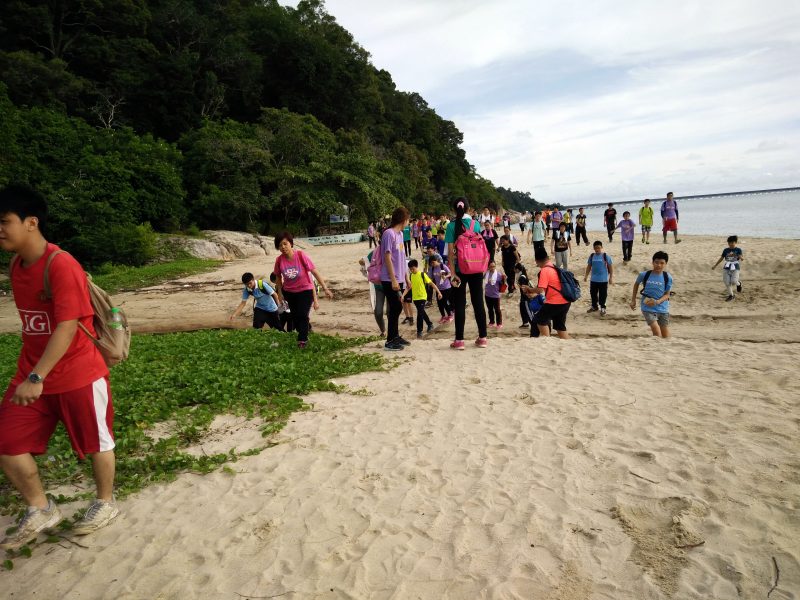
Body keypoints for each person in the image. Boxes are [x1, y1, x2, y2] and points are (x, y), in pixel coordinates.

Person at [0, 184, 119, 550]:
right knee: (6, 441)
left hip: (77, 372)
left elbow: (67, 325)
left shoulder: (61, 263)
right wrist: (32, 374)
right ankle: (41, 507)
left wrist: (38, 375)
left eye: (4, 222)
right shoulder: (17, 264)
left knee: (97, 442)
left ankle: (105, 502)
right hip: (32, 372)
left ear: (31, 222)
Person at [272, 232, 333, 349]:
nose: (283, 247)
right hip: (289, 292)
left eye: (285, 244)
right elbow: (278, 277)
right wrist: (279, 293)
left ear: (291, 244)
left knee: (302, 315)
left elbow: (315, 272)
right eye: (280, 245)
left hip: (305, 290)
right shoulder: (279, 260)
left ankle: (302, 340)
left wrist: (325, 288)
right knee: (295, 317)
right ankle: (306, 329)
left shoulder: (300, 255)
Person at [445, 197, 488, 350]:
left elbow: (450, 252)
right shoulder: (475, 224)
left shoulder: (450, 226)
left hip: (459, 270)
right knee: (478, 302)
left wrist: (452, 272)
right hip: (476, 267)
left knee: (460, 304)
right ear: (468, 209)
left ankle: (459, 340)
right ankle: (483, 337)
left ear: (454, 209)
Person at [380, 207, 412, 351]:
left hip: (399, 278)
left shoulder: (400, 235)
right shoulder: (389, 233)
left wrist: (406, 278)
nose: (408, 222)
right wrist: (393, 279)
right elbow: (387, 257)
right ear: (403, 219)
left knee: (397, 307)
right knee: (396, 307)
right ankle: (390, 340)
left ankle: (395, 336)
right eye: (408, 219)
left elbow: (402, 259)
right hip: (389, 279)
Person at [521, 247, 570, 339]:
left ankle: (546, 340)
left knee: (539, 319)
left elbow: (540, 289)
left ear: (537, 260)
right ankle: (570, 344)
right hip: (566, 301)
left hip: (556, 301)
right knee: (560, 326)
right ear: (547, 257)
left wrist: (529, 289)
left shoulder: (544, 270)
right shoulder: (553, 266)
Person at [630, 251, 673, 337]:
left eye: (662, 263)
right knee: (657, 333)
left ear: (665, 264)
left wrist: (657, 301)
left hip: (663, 308)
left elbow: (667, 294)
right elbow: (636, 285)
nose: (659, 265)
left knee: (666, 336)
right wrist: (633, 300)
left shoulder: (668, 277)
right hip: (647, 307)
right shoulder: (644, 275)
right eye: (656, 262)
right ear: (652, 262)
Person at [408, 259, 441, 338]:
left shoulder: (422, 274)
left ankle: (419, 331)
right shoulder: (411, 276)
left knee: (420, 313)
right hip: (415, 298)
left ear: (416, 267)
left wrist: (438, 292)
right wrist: (403, 296)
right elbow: (409, 287)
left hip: (423, 297)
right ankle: (430, 324)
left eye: (413, 269)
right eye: (410, 269)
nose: (412, 270)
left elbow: (431, 283)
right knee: (421, 311)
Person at [359, 250, 387, 336]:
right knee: (378, 312)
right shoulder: (374, 253)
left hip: (391, 286)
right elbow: (363, 263)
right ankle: (383, 331)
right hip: (378, 287)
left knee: (390, 312)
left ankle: (393, 333)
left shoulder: (393, 250)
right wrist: (363, 262)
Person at [584, 241, 614, 316]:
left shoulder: (605, 256)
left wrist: (611, 278)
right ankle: (594, 306)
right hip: (593, 279)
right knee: (593, 294)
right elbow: (589, 267)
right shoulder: (592, 256)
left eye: (599, 248)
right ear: (594, 248)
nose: (597, 249)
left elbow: (610, 267)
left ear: (601, 247)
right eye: (596, 248)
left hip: (603, 280)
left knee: (603, 294)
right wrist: (586, 276)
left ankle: (603, 308)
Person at [712, 235, 744, 302]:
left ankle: (739, 284)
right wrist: (715, 265)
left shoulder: (738, 250)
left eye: (732, 243)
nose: (731, 244)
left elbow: (742, 258)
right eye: (729, 243)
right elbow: (721, 258)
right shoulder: (726, 250)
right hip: (726, 267)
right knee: (727, 282)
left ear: (735, 242)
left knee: (734, 281)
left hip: (735, 267)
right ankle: (731, 295)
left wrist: (740, 257)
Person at [428, 255, 453, 323]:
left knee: (445, 302)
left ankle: (450, 315)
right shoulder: (432, 269)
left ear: (436, 261)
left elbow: (450, 273)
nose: (433, 264)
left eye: (433, 263)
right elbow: (431, 278)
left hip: (446, 287)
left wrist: (445, 276)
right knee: (439, 303)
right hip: (438, 289)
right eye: (431, 264)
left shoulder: (443, 266)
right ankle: (443, 316)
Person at [484, 261, 505, 328]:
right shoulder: (486, 274)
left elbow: (503, 284)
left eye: (493, 266)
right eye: (491, 266)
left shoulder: (499, 275)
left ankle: (499, 323)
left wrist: (504, 278)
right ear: (488, 267)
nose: (492, 268)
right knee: (490, 309)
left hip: (496, 295)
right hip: (487, 294)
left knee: (497, 310)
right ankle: (492, 322)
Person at [515, 263, 531, 328]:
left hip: (525, 297)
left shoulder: (522, 277)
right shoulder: (521, 275)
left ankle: (529, 323)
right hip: (524, 296)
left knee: (525, 309)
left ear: (518, 269)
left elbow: (524, 288)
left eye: (515, 269)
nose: (514, 270)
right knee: (523, 309)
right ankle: (525, 323)